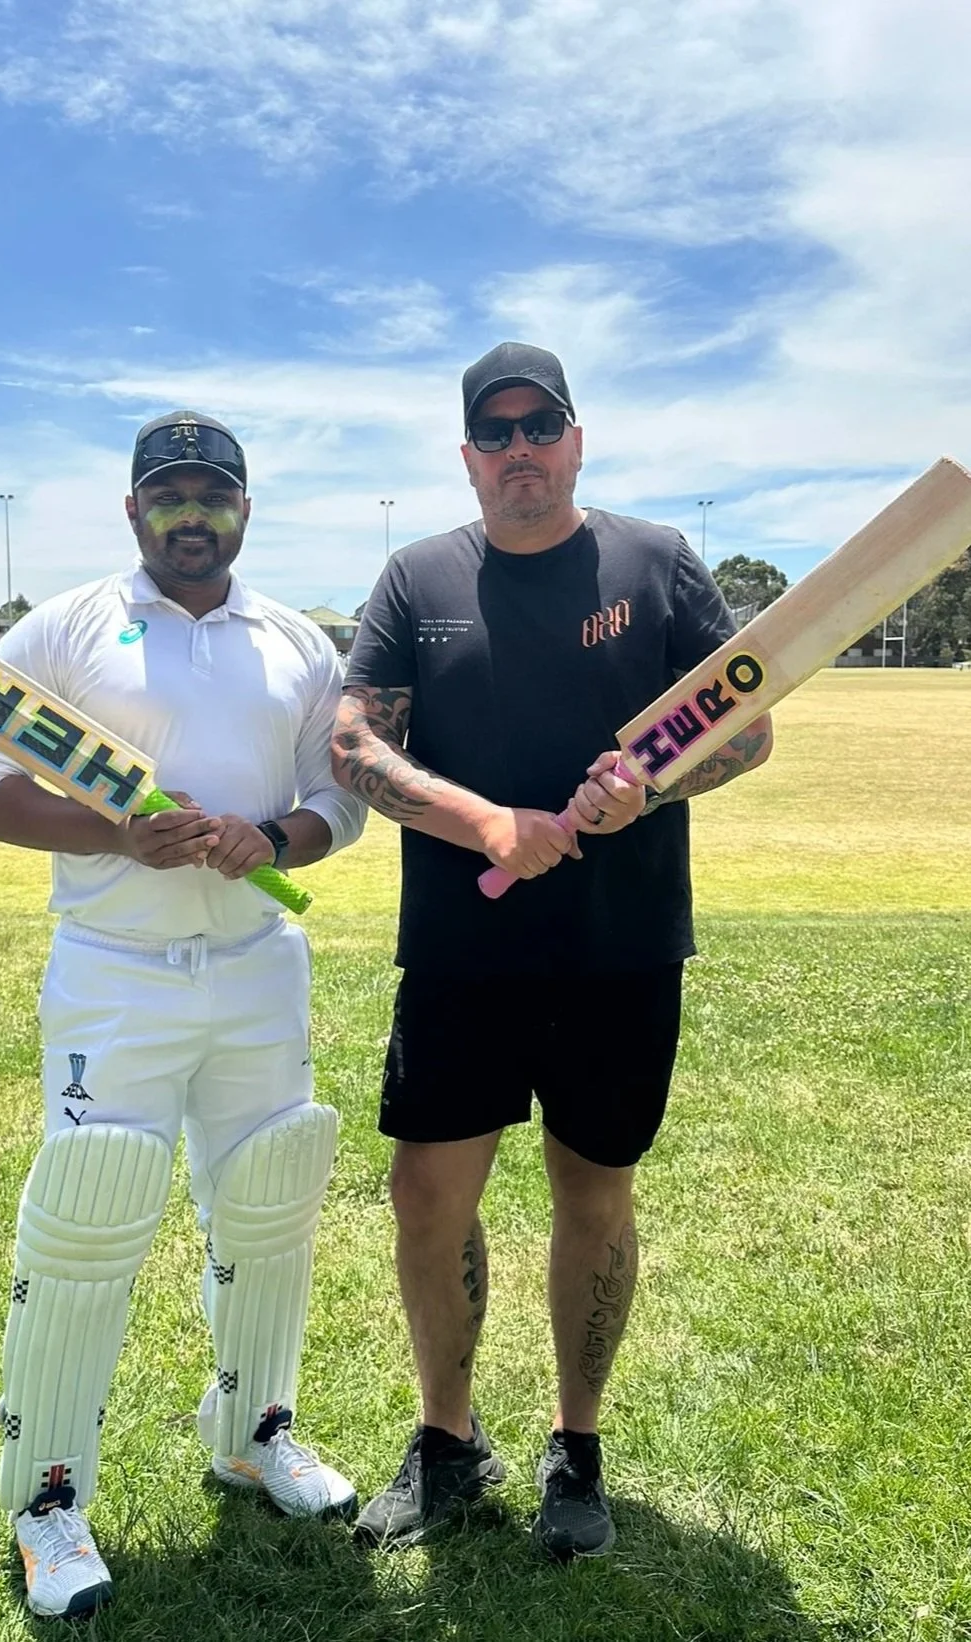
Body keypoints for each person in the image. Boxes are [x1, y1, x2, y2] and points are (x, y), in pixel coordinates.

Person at [331, 342, 772, 1560]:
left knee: (595, 1192)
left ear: (576, 439)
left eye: (542, 427)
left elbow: (746, 724)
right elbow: (353, 745)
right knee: (427, 1195)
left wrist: (655, 781)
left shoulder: (656, 562)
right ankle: (446, 1437)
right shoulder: (415, 575)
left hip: (617, 947)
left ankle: (575, 1447)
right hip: (462, 953)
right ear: (468, 456)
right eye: (496, 432)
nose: (520, 450)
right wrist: (485, 822)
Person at [0, 411, 366, 1617]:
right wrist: (115, 833)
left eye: (214, 495)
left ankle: (253, 1432)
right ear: (134, 509)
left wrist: (272, 835)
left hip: (254, 964)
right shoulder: (64, 627)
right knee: (91, 1208)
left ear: (245, 508)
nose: (194, 513)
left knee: (271, 1196)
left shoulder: (296, 643)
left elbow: (339, 801)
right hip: (114, 967)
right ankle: (48, 1502)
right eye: (170, 494)